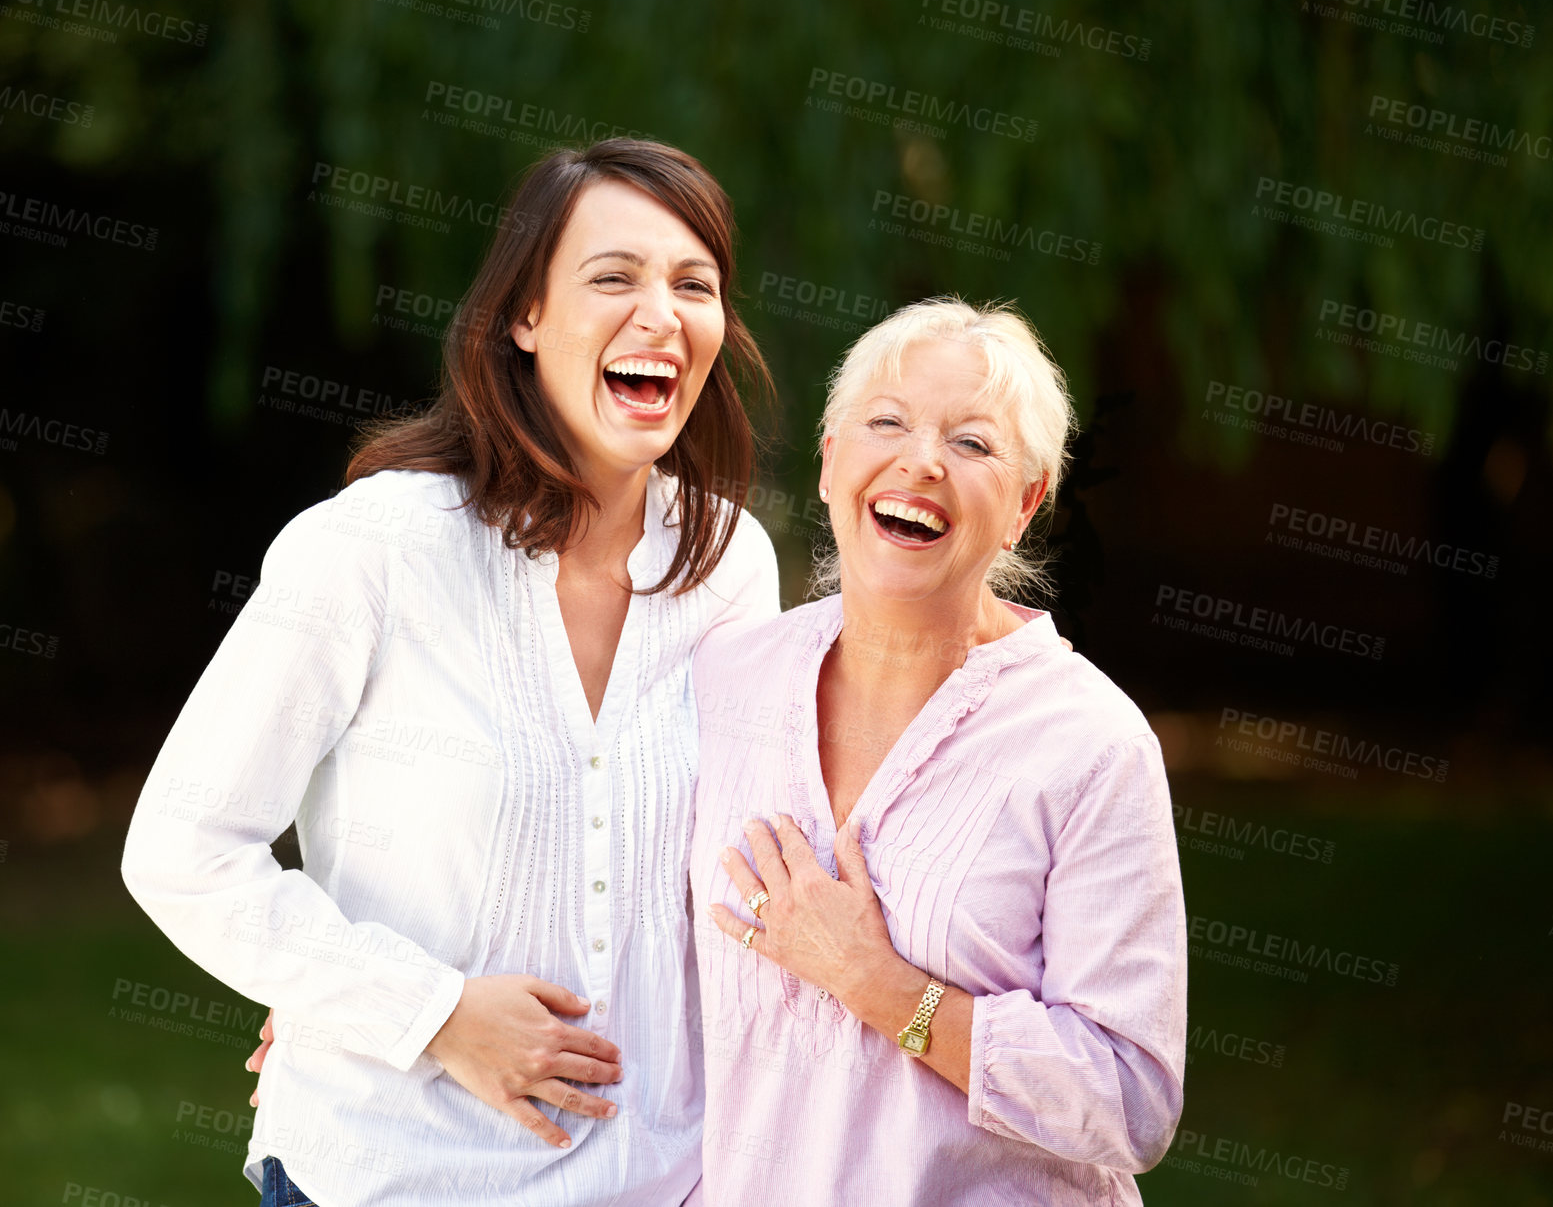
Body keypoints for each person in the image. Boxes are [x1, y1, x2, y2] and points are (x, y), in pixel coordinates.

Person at [121, 138, 780, 1206]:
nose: (661, 313)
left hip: (668, 1175)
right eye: (614, 277)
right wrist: (420, 1011)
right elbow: (183, 847)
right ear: (524, 316)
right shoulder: (373, 548)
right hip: (396, 1172)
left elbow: (744, 871)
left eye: (693, 284)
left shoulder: (732, 564)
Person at [691, 298, 1187, 1204]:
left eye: (972, 443)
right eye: (886, 423)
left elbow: (1130, 1100)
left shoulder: (1090, 745)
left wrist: (879, 985)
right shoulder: (724, 682)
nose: (921, 460)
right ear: (833, 461)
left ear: (1024, 506)